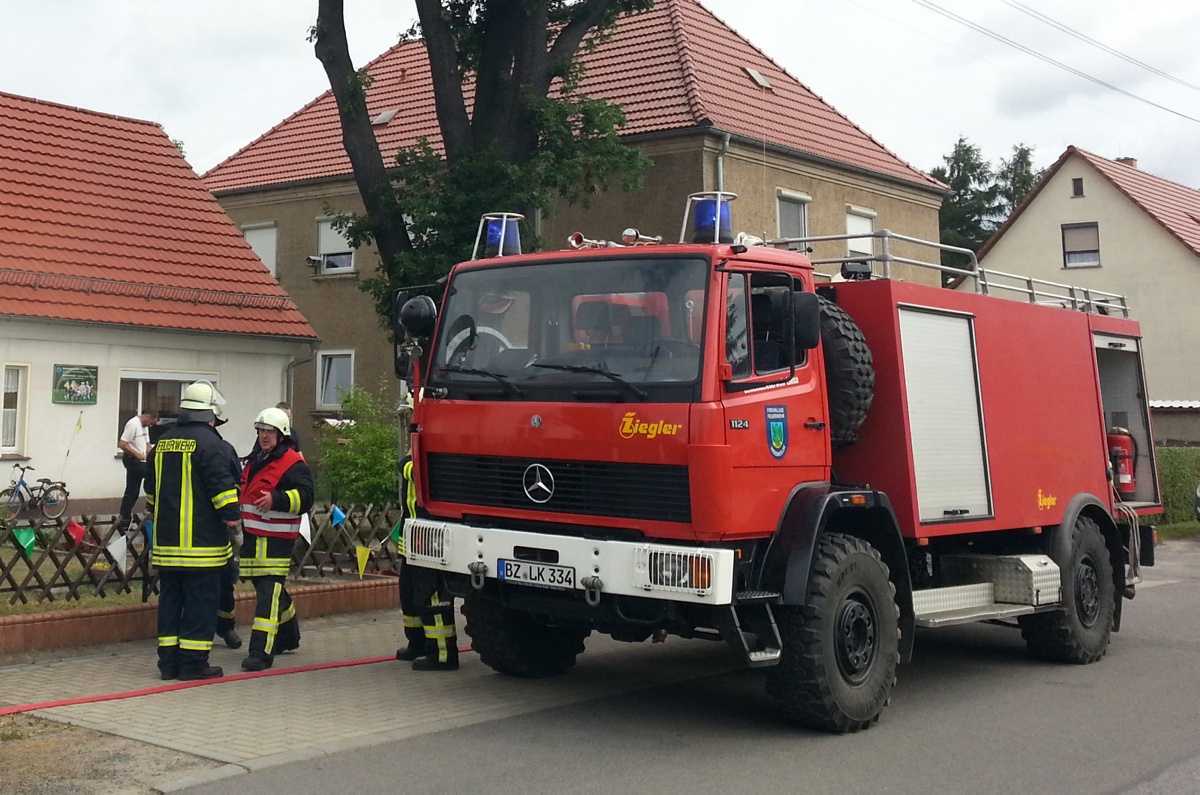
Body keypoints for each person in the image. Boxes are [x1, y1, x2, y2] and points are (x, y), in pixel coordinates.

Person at [144, 381, 240, 681]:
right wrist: (233, 520)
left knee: (171, 603)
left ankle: (168, 664)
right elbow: (223, 491)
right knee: (200, 606)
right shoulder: (213, 445)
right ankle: (193, 665)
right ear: (210, 414)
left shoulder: (162, 443)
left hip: (167, 546)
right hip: (202, 548)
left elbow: (151, 493)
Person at [238, 406, 313, 672]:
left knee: (267, 597)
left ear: (281, 435)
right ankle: (288, 635)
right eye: (260, 431)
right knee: (269, 590)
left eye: (269, 431)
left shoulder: (293, 464)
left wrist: (276, 499)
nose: (264, 436)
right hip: (253, 538)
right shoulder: (256, 458)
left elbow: (306, 498)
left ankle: (260, 652)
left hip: (276, 540)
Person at [395, 453, 459, 671]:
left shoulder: (436, 459)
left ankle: (442, 654)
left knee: (431, 598)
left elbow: (413, 470)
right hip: (412, 543)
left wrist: (406, 460)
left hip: (431, 543)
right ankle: (418, 644)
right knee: (410, 597)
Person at [211, 407, 244, 650]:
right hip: (202, 530)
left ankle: (225, 625)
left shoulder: (223, 449)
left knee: (225, 578)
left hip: (221, 527)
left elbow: (238, 482)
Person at [117, 409, 158, 530]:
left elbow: (148, 445)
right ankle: (148, 509)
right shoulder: (133, 424)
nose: (151, 426)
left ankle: (125, 518)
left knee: (132, 490)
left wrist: (152, 457)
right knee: (152, 477)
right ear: (148, 417)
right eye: (151, 423)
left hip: (142, 461)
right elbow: (122, 444)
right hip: (132, 460)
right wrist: (136, 454)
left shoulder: (144, 426)